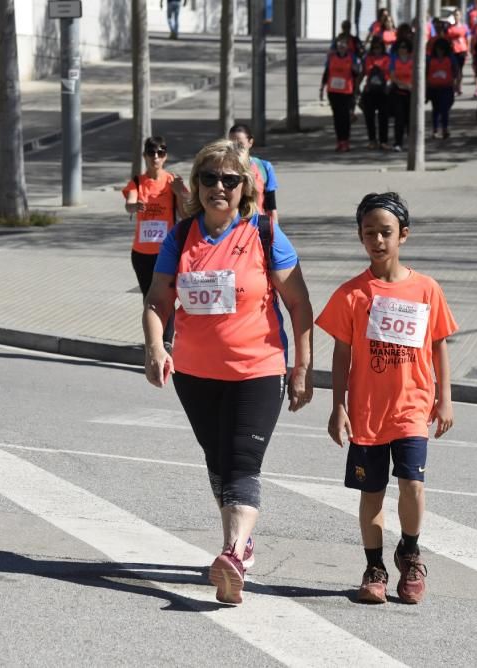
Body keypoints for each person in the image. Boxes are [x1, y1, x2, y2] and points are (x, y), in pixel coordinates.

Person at [142, 139, 314, 606]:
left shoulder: (264, 233)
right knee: (218, 460)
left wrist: (302, 366)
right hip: (196, 374)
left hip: (258, 368)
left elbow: (299, 304)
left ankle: (233, 554)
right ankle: (239, 545)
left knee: (242, 460)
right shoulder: (181, 237)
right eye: (209, 178)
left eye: (230, 179)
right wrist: (156, 346)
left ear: (245, 188)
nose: (219, 187)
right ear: (196, 184)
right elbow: (159, 300)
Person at [315, 191, 457, 605]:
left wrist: (445, 398)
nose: (377, 240)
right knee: (372, 492)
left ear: (404, 235)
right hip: (367, 412)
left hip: (412, 407)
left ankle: (409, 551)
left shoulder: (426, 289)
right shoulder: (352, 294)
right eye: (369, 233)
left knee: (412, 484)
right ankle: (374, 565)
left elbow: (439, 345)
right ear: (360, 237)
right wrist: (337, 406)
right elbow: (341, 354)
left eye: (386, 232)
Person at [123, 136, 189, 347]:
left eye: (160, 153)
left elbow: (185, 214)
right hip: (141, 253)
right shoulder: (137, 181)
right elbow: (129, 203)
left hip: (166, 251)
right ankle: (154, 341)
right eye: (151, 153)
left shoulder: (171, 181)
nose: (155, 157)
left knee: (167, 296)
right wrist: (135, 207)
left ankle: (166, 341)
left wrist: (180, 194)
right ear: (145, 156)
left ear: (165, 156)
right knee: (149, 297)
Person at [228, 124, 279, 223]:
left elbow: (271, 205)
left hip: (257, 225)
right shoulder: (223, 168)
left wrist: (274, 230)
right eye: (231, 144)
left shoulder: (264, 167)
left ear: (250, 142)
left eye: (240, 144)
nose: (235, 149)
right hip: (230, 227)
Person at [321, 36, 361, 152]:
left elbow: (356, 73)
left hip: (347, 92)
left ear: (348, 46)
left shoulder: (352, 57)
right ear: (336, 45)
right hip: (333, 91)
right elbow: (327, 72)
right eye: (340, 43)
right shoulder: (331, 57)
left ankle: (345, 141)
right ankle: (339, 141)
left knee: (345, 117)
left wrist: (355, 69)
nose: (342, 46)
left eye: (344, 44)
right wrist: (322, 88)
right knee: (337, 117)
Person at [360, 39, 391, 150]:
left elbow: (390, 73)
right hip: (370, 90)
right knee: (369, 117)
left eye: (379, 47)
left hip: (383, 90)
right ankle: (372, 140)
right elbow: (365, 72)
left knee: (383, 117)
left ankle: (383, 141)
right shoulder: (368, 58)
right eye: (374, 48)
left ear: (382, 48)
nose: (376, 50)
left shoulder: (387, 58)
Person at [427, 38, 457, 139]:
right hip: (433, 88)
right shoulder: (430, 59)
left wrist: (456, 83)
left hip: (447, 87)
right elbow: (426, 73)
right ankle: (435, 130)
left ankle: (445, 128)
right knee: (435, 109)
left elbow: (456, 71)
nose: (440, 51)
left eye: (442, 49)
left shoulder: (450, 58)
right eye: (438, 49)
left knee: (444, 109)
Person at [388, 40, 415, 152]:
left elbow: (416, 74)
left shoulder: (412, 60)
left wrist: (411, 86)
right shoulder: (394, 60)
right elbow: (392, 76)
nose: (402, 49)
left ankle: (411, 143)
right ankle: (398, 143)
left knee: (410, 119)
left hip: (410, 93)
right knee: (399, 119)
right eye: (400, 47)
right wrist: (403, 85)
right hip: (398, 92)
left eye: (404, 47)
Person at [444, 11, 470, 94]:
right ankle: (454, 85)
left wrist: (467, 50)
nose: (456, 16)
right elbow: (447, 39)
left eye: (458, 15)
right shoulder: (450, 27)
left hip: (462, 50)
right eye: (455, 15)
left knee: (459, 69)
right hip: (453, 50)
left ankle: (459, 86)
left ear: (461, 16)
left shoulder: (464, 27)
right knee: (454, 69)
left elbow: (468, 38)